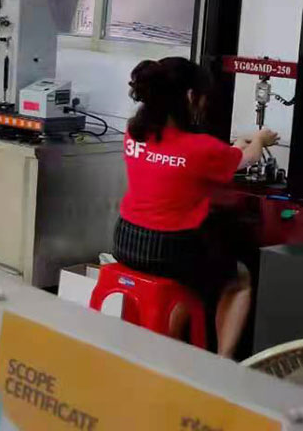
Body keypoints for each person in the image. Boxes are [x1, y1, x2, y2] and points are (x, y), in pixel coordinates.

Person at [115, 57, 279, 358]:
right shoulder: (200, 147)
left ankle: (166, 344)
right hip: (169, 251)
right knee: (238, 278)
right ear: (191, 96)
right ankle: (222, 362)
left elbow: (211, 156)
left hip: (126, 242)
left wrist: (235, 146)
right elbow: (249, 158)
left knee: (190, 277)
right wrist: (259, 138)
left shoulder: (134, 133)